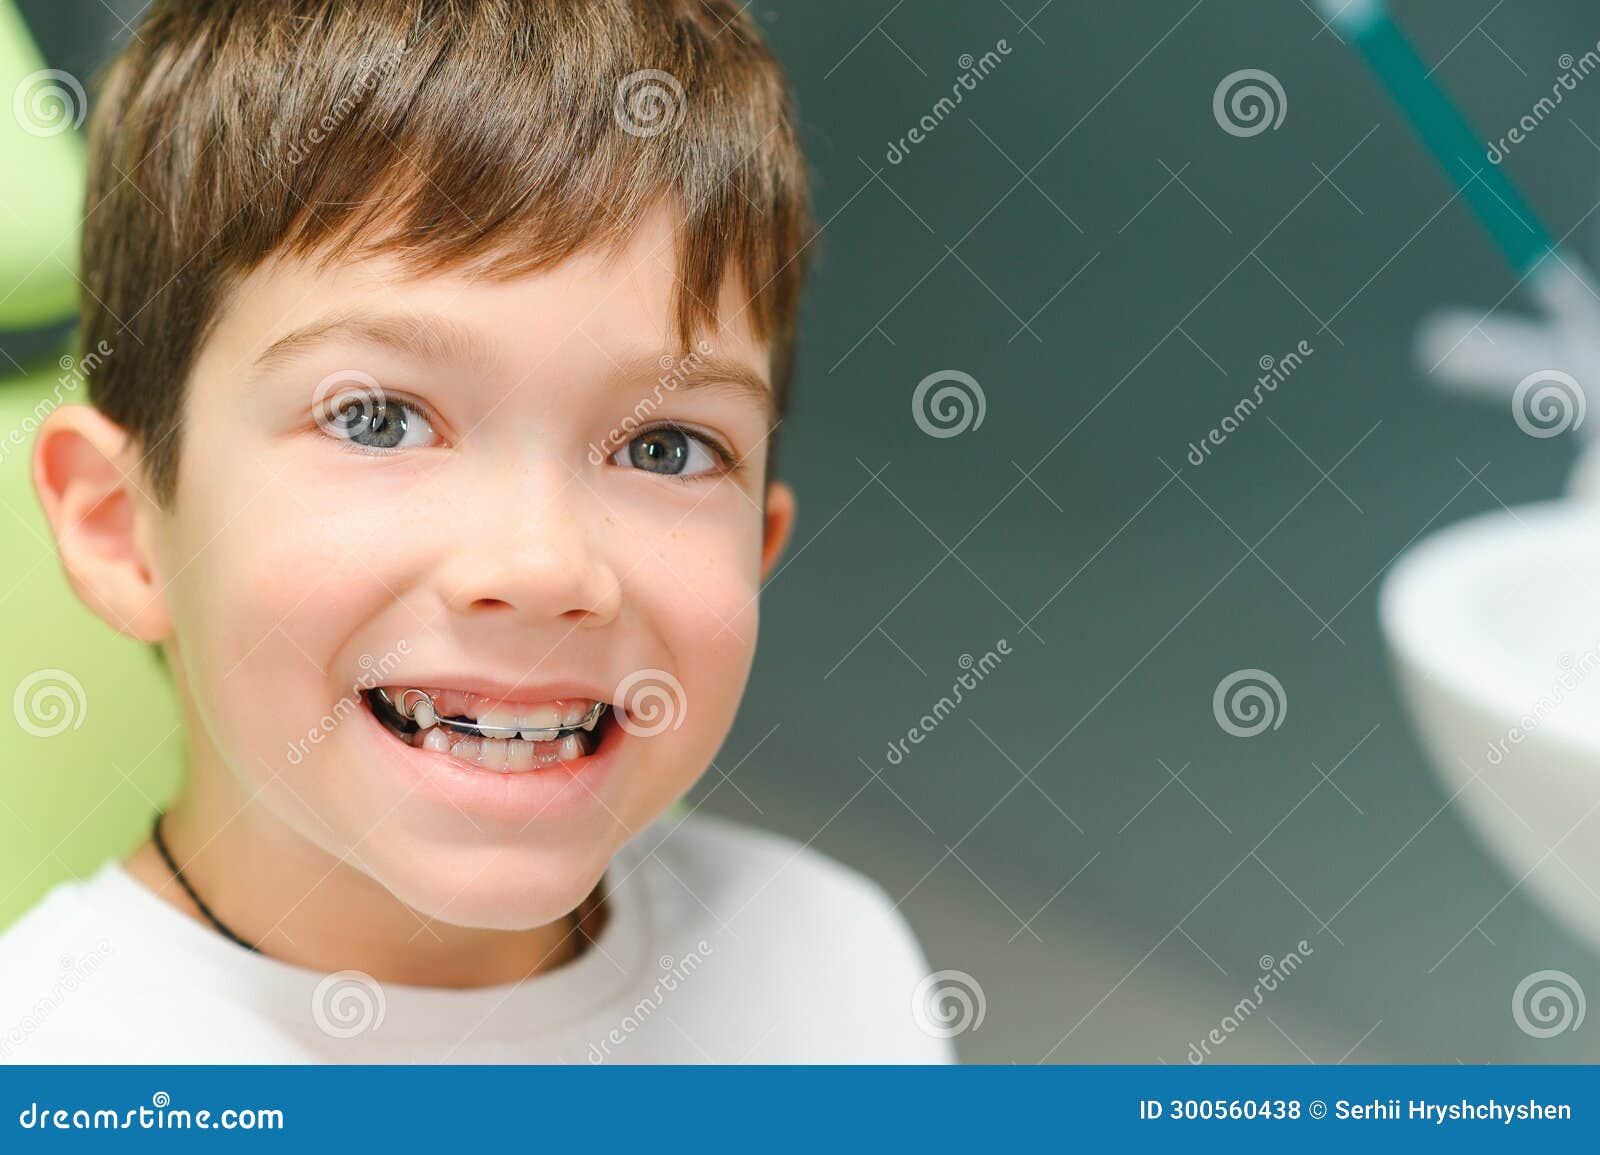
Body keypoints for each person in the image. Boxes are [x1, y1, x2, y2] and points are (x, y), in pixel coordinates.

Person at [0, 0, 952, 1064]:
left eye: (665, 448)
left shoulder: (830, 968)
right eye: (377, 420)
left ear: (759, 552)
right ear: (120, 527)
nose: (544, 566)